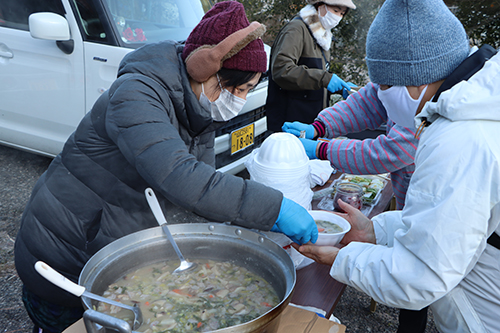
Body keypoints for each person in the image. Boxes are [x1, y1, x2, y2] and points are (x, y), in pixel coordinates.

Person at [14, 2, 318, 332]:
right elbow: (182, 177)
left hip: (114, 245)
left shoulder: (195, 105)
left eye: (248, 91)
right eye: (236, 89)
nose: (240, 100)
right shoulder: (137, 94)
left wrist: (247, 229)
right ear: (205, 70)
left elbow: (201, 189)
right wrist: (274, 208)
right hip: (64, 253)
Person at [294, 0, 500, 332]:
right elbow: (442, 223)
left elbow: (419, 276)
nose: (382, 95)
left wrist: (341, 260)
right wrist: (376, 231)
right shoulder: (472, 101)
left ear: (418, 79)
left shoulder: (459, 140)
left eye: (387, 86)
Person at [265, 0, 356, 133]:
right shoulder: (296, 29)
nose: (338, 17)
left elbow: (315, 77)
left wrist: (340, 87)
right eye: (336, 11)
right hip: (289, 125)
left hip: (310, 125)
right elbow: (282, 70)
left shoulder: (323, 36)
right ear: (320, 5)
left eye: (342, 14)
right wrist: (324, 79)